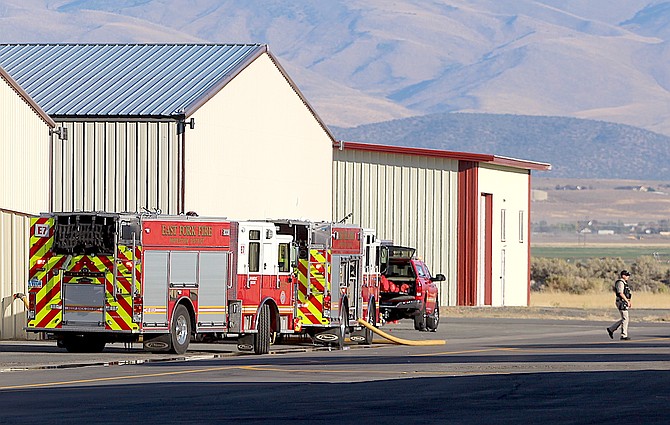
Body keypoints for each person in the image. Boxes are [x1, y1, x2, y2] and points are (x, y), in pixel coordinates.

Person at [607, 270, 632, 340]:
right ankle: (623, 335)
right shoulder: (620, 283)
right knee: (625, 318)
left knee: (625, 319)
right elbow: (620, 293)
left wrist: (628, 301)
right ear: (623, 275)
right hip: (621, 302)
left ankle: (611, 329)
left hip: (624, 302)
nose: (628, 277)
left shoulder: (624, 283)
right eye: (626, 275)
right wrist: (627, 301)